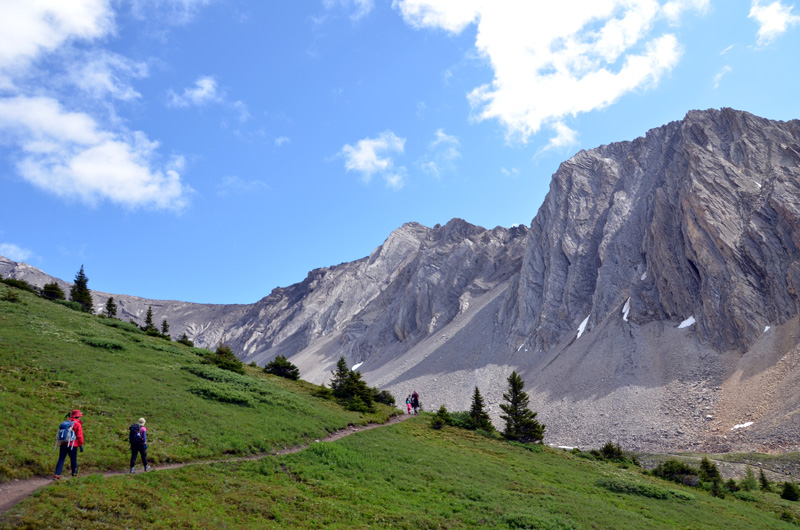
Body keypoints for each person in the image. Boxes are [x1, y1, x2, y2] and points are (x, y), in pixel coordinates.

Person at [54, 410, 83, 480]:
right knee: (73, 460)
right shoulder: (77, 424)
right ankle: (75, 475)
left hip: (63, 444)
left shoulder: (66, 423)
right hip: (73, 445)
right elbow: (79, 436)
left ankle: (57, 474)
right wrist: (80, 444)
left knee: (61, 459)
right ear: (77, 416)